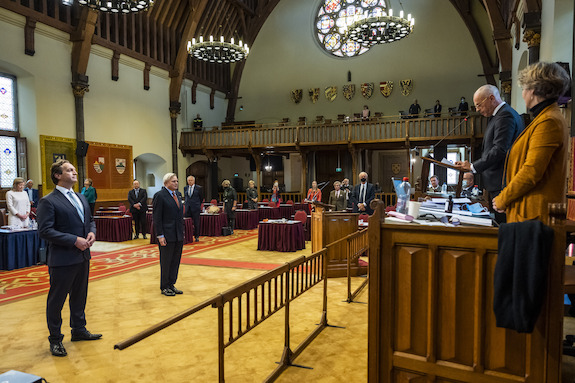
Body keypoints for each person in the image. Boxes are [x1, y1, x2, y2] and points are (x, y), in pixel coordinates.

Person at [36, 160, 100, 357]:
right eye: (69, 170)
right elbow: (45, 231)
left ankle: (79, 329)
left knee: (80, 295)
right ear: (57, 175)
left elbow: (90, 221)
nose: (74, 172)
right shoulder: (49, 201)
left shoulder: (80, 197)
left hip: (82, 256)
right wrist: (74, 240)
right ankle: (55, 339)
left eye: (74, 169)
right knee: (57, 300)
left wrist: (91, 233)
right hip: (62, 259)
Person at [493, 62, 570, 224]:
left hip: (536, 218)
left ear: (533, 90)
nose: (523, 95)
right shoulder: (544, 118)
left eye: (523, 89)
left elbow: (531, 172)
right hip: (529, 215)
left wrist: (503, 199)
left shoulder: (548, 121)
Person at [455, 84, 524, 223]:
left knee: (502, 228)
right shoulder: (498, 116)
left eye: (479, 105)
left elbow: (499, 149)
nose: (477, 110)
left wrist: (473, 166)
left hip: (502, 183)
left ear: (491, 98)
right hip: (497, 182)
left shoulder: (505, 115)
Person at [152, 173, 185, 297]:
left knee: (175, 261)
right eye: (173, 181)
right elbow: (157, 218)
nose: (176, 183)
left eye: (177, 181)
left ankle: (172, 284)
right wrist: (160, 235)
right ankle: (164, 286)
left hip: (178, 234)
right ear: (166, 183)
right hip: (166, 234)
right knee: (166, 261)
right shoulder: (160, 196)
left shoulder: (178, 194)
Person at [184, 175, 203, 242]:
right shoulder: (185, 188)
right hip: (187, 208)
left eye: (191, 180)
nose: (190, 182)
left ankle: (197, 236)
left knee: (196, 222)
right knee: (187, 222)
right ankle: (188, 236)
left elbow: (201, 198)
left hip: (195, 208)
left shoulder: (199, 188)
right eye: (188, 180)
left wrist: (198, 205)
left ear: (194, 181)